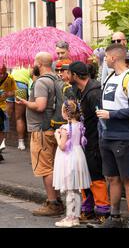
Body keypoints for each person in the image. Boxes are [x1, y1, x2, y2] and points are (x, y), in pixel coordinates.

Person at [96, 44, 129, 228]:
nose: (105, 60)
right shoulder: (109, 76)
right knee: (112, 177)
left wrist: (111, 115)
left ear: (114, 58)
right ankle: (114, 216)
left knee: (128, 178)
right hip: (107, 136)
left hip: (124, 137)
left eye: (106, 57)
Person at [16, 52, 65, 216]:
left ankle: (53, 203)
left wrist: (24, 102)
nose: (32, 66)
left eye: (34, 63)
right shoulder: (56, 78)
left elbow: (40, 105)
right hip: (54, 128)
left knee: (46, 168)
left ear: (40, 64)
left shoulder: (41, 82)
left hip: (41, 129)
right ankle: (57, 201)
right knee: (54, 167)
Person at [68, 61, 111, 225]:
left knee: (95, 177)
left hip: (94, 143)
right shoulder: (78, 91)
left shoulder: (94, 93)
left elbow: (102, 120)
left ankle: (103, 211)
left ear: (75, 75)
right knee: (83, 177)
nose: (66, 76)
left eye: (69, 73)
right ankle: (87, 209)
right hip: (82, 143)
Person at [53, 100, 91, 227]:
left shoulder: (64, 128)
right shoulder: (80, 125)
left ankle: (70, 217)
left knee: (70, 189)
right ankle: (76, 217)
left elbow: (63, 146)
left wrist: (57, 136)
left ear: (65, 113)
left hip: (68, 159)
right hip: (78, 156)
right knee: (76, 190)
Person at [10, 67, 32, 150]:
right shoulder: (31, 63)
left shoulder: (15, 61)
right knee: (19, 117)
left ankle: (2, 141)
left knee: (5, 115)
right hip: (21, 86)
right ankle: (21, 143)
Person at [0, 65, 17, 150]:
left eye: (3, 73)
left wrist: (7, 94)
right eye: (0, 73)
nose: (1, 75)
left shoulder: (10, 78)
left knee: (3, 128)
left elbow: (14, 92)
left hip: (3, 106)